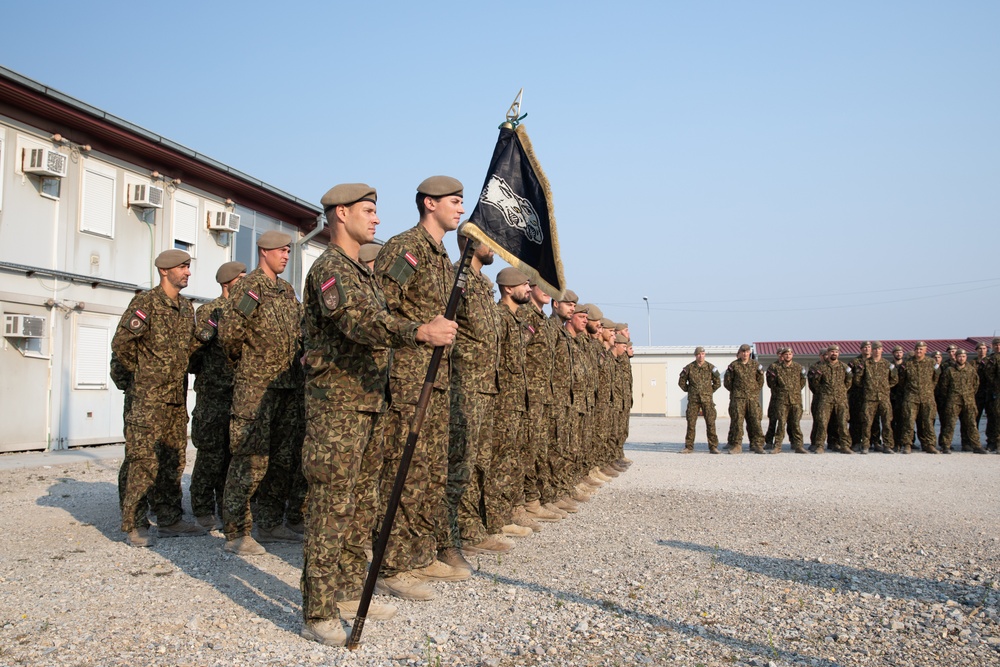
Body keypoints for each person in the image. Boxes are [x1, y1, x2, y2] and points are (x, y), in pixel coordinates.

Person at [298, 183, 458, 646]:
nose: (376, 219)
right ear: (340, 214)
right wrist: (419, 331)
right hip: (337, 409)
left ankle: (347, 590)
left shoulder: (360, 271)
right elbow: (359, 324)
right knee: (330, 508)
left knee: (361, 503)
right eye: (368, 211)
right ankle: (318, 610)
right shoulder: (331, 271)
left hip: (370, 403)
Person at [372, 175, 464, 600]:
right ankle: (391, 563)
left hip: (435, 378)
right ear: (430, 203)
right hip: (408, 377)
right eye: (454, 201)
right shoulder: (405, 248)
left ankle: (420, 552)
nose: (461, 209)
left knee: (428, 471)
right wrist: (419, 332)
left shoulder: (441, 255)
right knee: (402, 469)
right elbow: (379, 309)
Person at [111, 249, 207, 547]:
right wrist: (141, 379)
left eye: (188, 267)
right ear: (165, 271)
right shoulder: (145, 303)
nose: (188, 272)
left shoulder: (186, 308)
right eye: (183, 268)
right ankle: (134, 524)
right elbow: (122, 344)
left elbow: (188, 351)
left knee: (172, 459)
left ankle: (169, 518)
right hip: (147, 399)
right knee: (142, 461)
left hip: (175, 400)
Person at [219, 230, 306, 555]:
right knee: (249, 460)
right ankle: (237, 532)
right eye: (281, 250)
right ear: (264, 251)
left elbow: (298, 333)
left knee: (281, 460)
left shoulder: (286, 291)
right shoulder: (249, 287)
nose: (286, 255)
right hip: (255, 390)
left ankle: (270, 524)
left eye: (287, 250)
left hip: (287, 388)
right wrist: (248, 368)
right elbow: (229, 335)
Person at [447, 234, 505, 558]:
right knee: (461, 463)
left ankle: (471, 529)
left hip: (485, 385)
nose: (493, 247)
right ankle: (456, 535)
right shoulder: (460, 279)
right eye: (487, 241)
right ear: (471, 243)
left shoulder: (484, 285)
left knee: (478, 462)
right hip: (465, 385)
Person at [188, 261, 246, 530]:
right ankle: (201, 507)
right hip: (213, 393)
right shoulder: (210, 311)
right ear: (226, 283)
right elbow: (198, 348)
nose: (245, 283)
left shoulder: (246, 310)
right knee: (210, 454)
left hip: (238, 392)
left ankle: (226, 508)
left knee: (232, 455)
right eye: (240, 278)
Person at [484, 267, 534, 547]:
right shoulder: (498, 317)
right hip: (501, 400)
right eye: (523, 285)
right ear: (507, 288)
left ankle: (504, 516)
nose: (528, 288)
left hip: (516, 401)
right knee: (498, 463)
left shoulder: (517, 320)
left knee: (511, 460)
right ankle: (493, 522)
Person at [937, 349, 986, 455]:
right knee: (950, 423)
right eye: (959, 356)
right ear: (956, 357)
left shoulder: (971, 370)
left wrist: (969, 394)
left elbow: (976, 385)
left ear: (966, 357)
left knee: (971, 424)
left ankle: (976, 445)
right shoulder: (949, 370)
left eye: (963, 356)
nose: (961, 358)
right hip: (953, 401)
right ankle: (946, 446)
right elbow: (944, 386)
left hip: (968, 401)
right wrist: (951, 396)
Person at [897, 341, 941, 454]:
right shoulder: (907, 363)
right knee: (909, 422)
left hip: (927, 397)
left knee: (928, 422)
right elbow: (902, 380)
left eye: (921, 349)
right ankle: (907, 444)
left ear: (925, 350)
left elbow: (936, 378)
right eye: (917, 349)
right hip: (911, 397)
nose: (919, 351)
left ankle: (929, 445)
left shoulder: (932, 363)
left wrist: (928, 389)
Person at [809, 344, 853, 454]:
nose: (834, 353)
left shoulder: (844, 367)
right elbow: (815, 384)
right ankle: (819, 445)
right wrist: (824, 392)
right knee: (822, 423)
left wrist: (840, 391)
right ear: (827, 354)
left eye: (836, 352)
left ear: (839, 353)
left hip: (840, 400)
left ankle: (844, 445)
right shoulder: (820, 368)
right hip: (825, 400)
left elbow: (848, 382)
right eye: (832, 352)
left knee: (842, 423)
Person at [677, 347, 721, 453]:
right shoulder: (689, 368)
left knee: (710, 423)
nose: (700, 356)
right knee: (691, 423)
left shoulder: (711, 367)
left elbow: (717, 382)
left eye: (702, 354)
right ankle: (689, 446)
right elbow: (681, 382)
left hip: (707, 400)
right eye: (698, 354)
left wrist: (709, 391)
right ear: (695, 355)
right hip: (693, 400)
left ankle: (713, 446)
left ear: (705, 354)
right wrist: (690, 390)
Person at [856, 341, 897, 454]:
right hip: (870, 398)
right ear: (872, 350)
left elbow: (894, 379)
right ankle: (865, 445)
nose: (876, 351)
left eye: (879, 349)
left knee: (887, 422)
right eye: (874, 349)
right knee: (867, 422)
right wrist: (868, 388)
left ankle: (888, 445)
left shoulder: (887, 364)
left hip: (884, 397)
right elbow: (858, 380)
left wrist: (885, 387)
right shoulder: (865, 364)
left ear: (882, 350)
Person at [764, 347, 807, 454]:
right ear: (782, 356)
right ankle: (777, 446)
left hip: (795, 400)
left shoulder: (798, 367)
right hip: (782, 400)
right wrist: (782, 392)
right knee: (781, 423)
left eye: (790, 354)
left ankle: (799, 446)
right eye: (785, 354)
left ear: (793, 355)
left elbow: (802, 382)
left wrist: (793, 391)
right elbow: (771, 384)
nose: (788, 356)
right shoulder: (775, 367)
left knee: (795, 424)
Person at [848, 341, 872, 447]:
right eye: (864, 347)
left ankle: (873, 441)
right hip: (857, 395)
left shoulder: (876, 361)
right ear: (861, 349)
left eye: (868, 347)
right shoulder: (854, 362)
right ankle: (856, 441)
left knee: (872, 420)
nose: (866, 349)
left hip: (872, 396)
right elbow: (848, 377)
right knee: (855, 419)